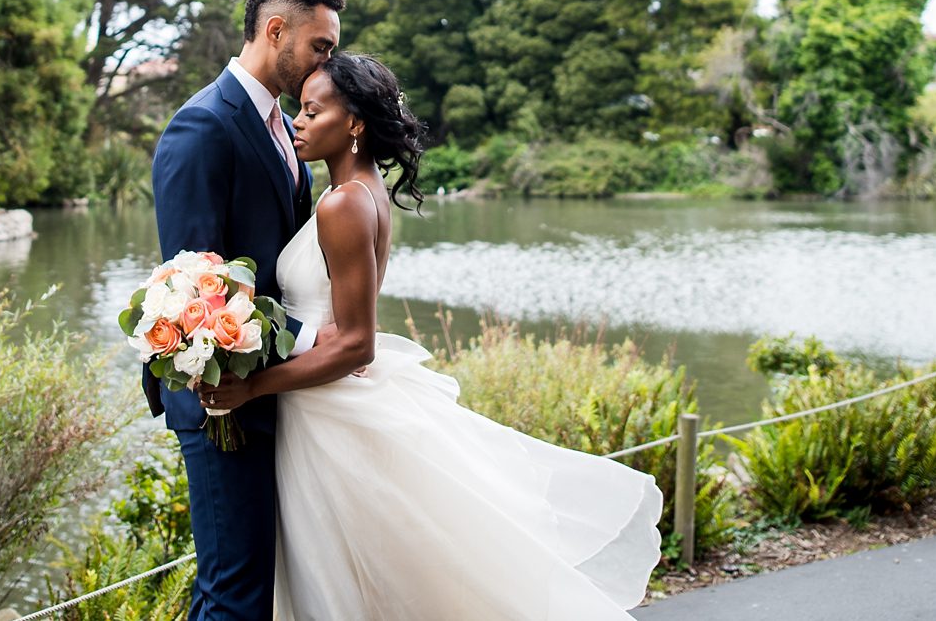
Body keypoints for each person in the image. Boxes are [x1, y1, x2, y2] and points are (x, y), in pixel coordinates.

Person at [201, 54, 663, 619]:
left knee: (339, 582)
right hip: (321, 403)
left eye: (313, 110)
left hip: (326, 416)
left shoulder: (344, 203)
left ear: (354, 125)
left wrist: (251, 388)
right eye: (299, 108)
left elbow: (356, 345)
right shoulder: (364, 189)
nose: (298, 120)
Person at [149, 0, 343, 621]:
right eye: (320, 46)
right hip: (220, 399)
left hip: (269, 390)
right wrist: (319, 339)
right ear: (275, 30)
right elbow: (197, 292)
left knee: (257, 587)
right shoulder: (203, 126)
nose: (327, 63)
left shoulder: (284, 129)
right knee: (233, 596)